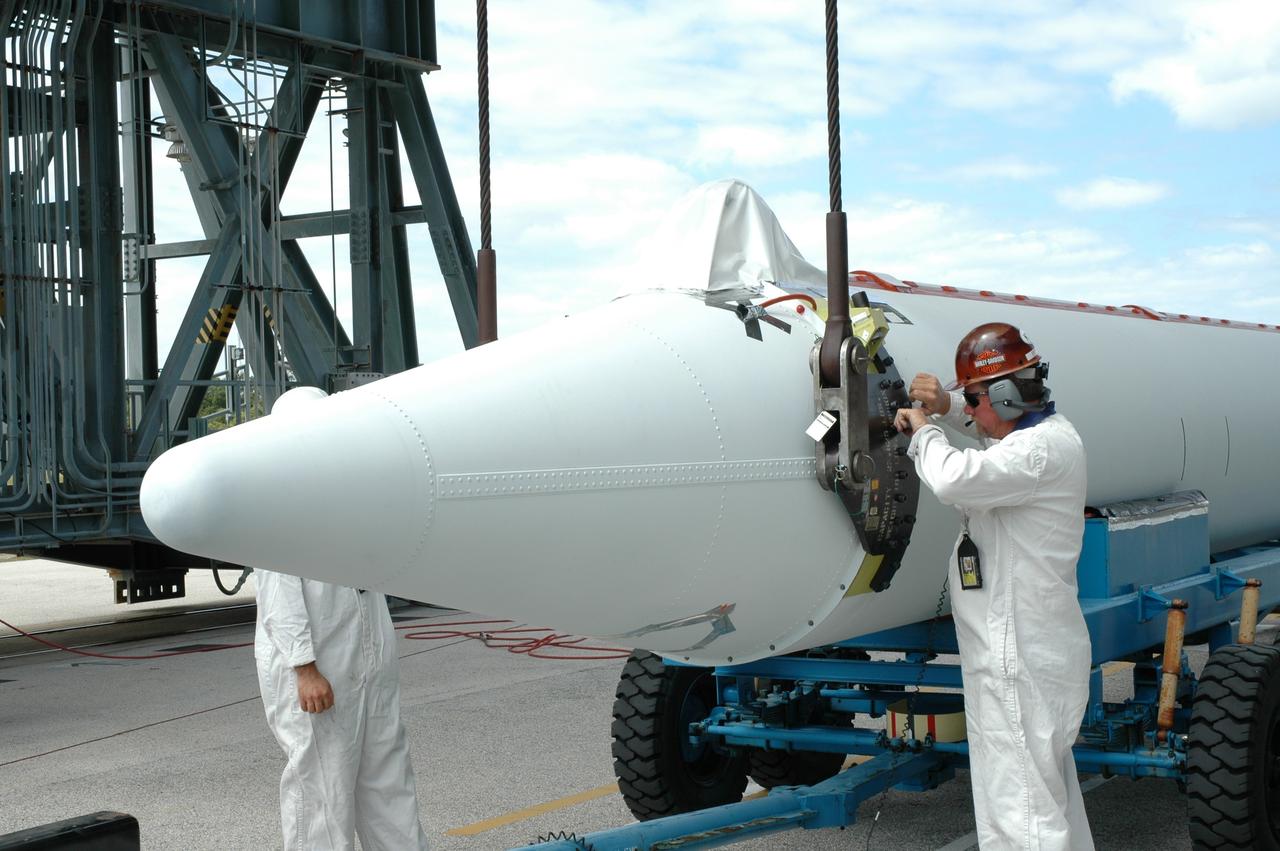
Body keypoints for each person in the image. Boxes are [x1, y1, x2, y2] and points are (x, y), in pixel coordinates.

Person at [893, 322, 1094, 851]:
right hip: (1022, 651)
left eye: (976, 399)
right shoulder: (1043, 438)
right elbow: (991, 439)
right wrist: (950, 408)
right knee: (1045, 802)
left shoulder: (1035, 454)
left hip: (1018, 656)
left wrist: (924, 431)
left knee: (1022, 813)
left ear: (1005, 396)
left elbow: (958, 477)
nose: (974, 411)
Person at [254, 570, 430, 850]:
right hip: (320, 664)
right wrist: (304, 667)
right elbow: (278, 591)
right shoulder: (278, 526)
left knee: (389, 786)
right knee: (324, 793)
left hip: (367, 659)